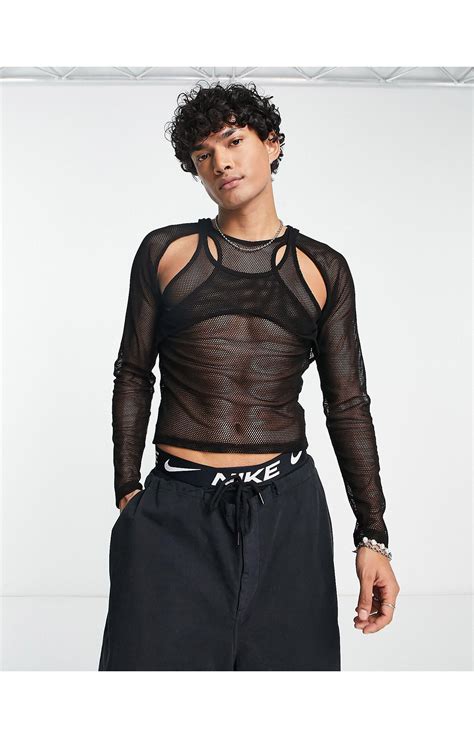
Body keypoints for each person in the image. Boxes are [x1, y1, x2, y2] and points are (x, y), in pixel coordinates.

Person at [98, 80, 400, 671]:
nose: (221, 163)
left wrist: (373, 534)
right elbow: (133, 371)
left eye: (234, 141)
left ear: (273, 143)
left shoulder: (323, 269)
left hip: (287, 513)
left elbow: (347, 405)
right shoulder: (166, 253)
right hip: (175, 509)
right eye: (203, 155)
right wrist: (127, 488)